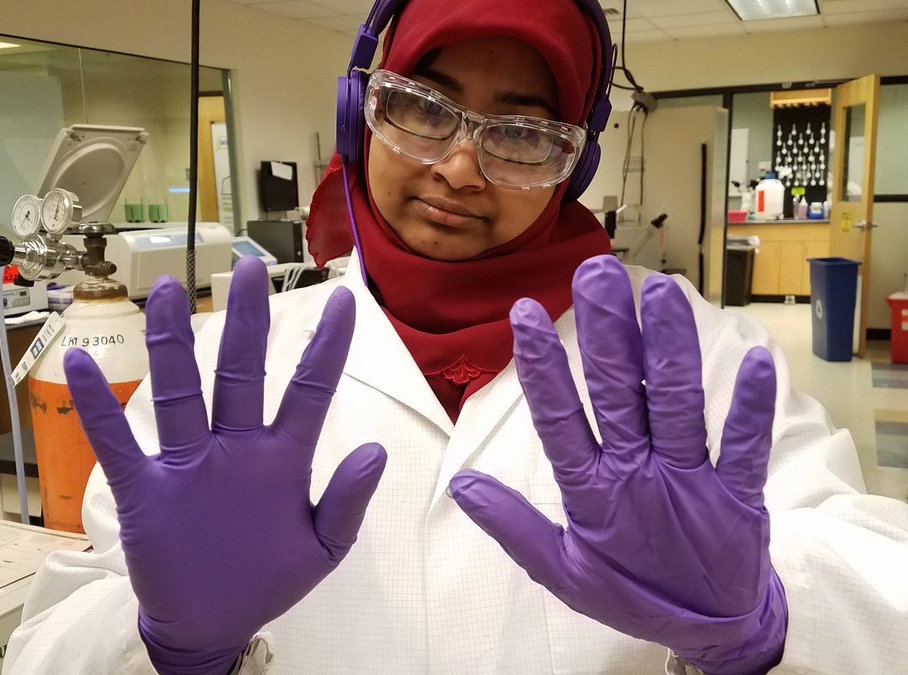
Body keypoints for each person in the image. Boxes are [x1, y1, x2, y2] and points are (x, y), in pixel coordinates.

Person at [6, 0, 908, 672]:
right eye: (423, 106)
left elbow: (886, 590)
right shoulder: (222, 371)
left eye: (521, 133)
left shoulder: (697, 358)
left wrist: (769, 618)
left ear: (574, 162)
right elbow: (42, 645)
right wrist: (159, 643)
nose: (461, 166)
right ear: (362, 108)